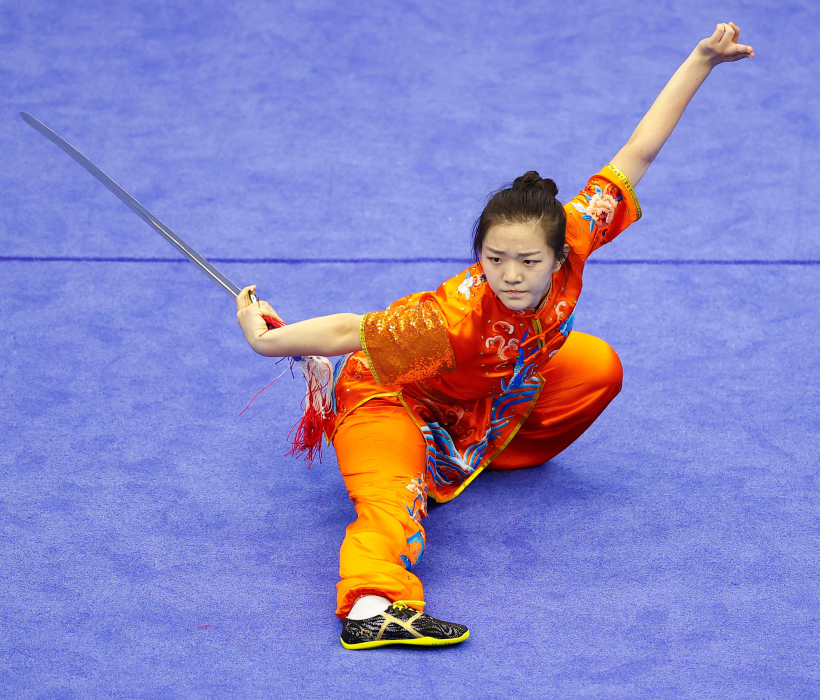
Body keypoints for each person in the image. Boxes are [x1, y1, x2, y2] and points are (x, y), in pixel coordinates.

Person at [236, 23, 754, 649]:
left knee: (597, 366)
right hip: (388, 398)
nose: (510, 275)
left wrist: (701, 59)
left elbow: (636, 153)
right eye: (493, 258)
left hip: (475, 396)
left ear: (560, 254)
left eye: (528, 262)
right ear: (479, 253)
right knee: (393, 500)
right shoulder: (450, 318)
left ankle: (477, 455)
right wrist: (271, 341)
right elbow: (349, 330)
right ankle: (375, 606)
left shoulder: (576, 229)